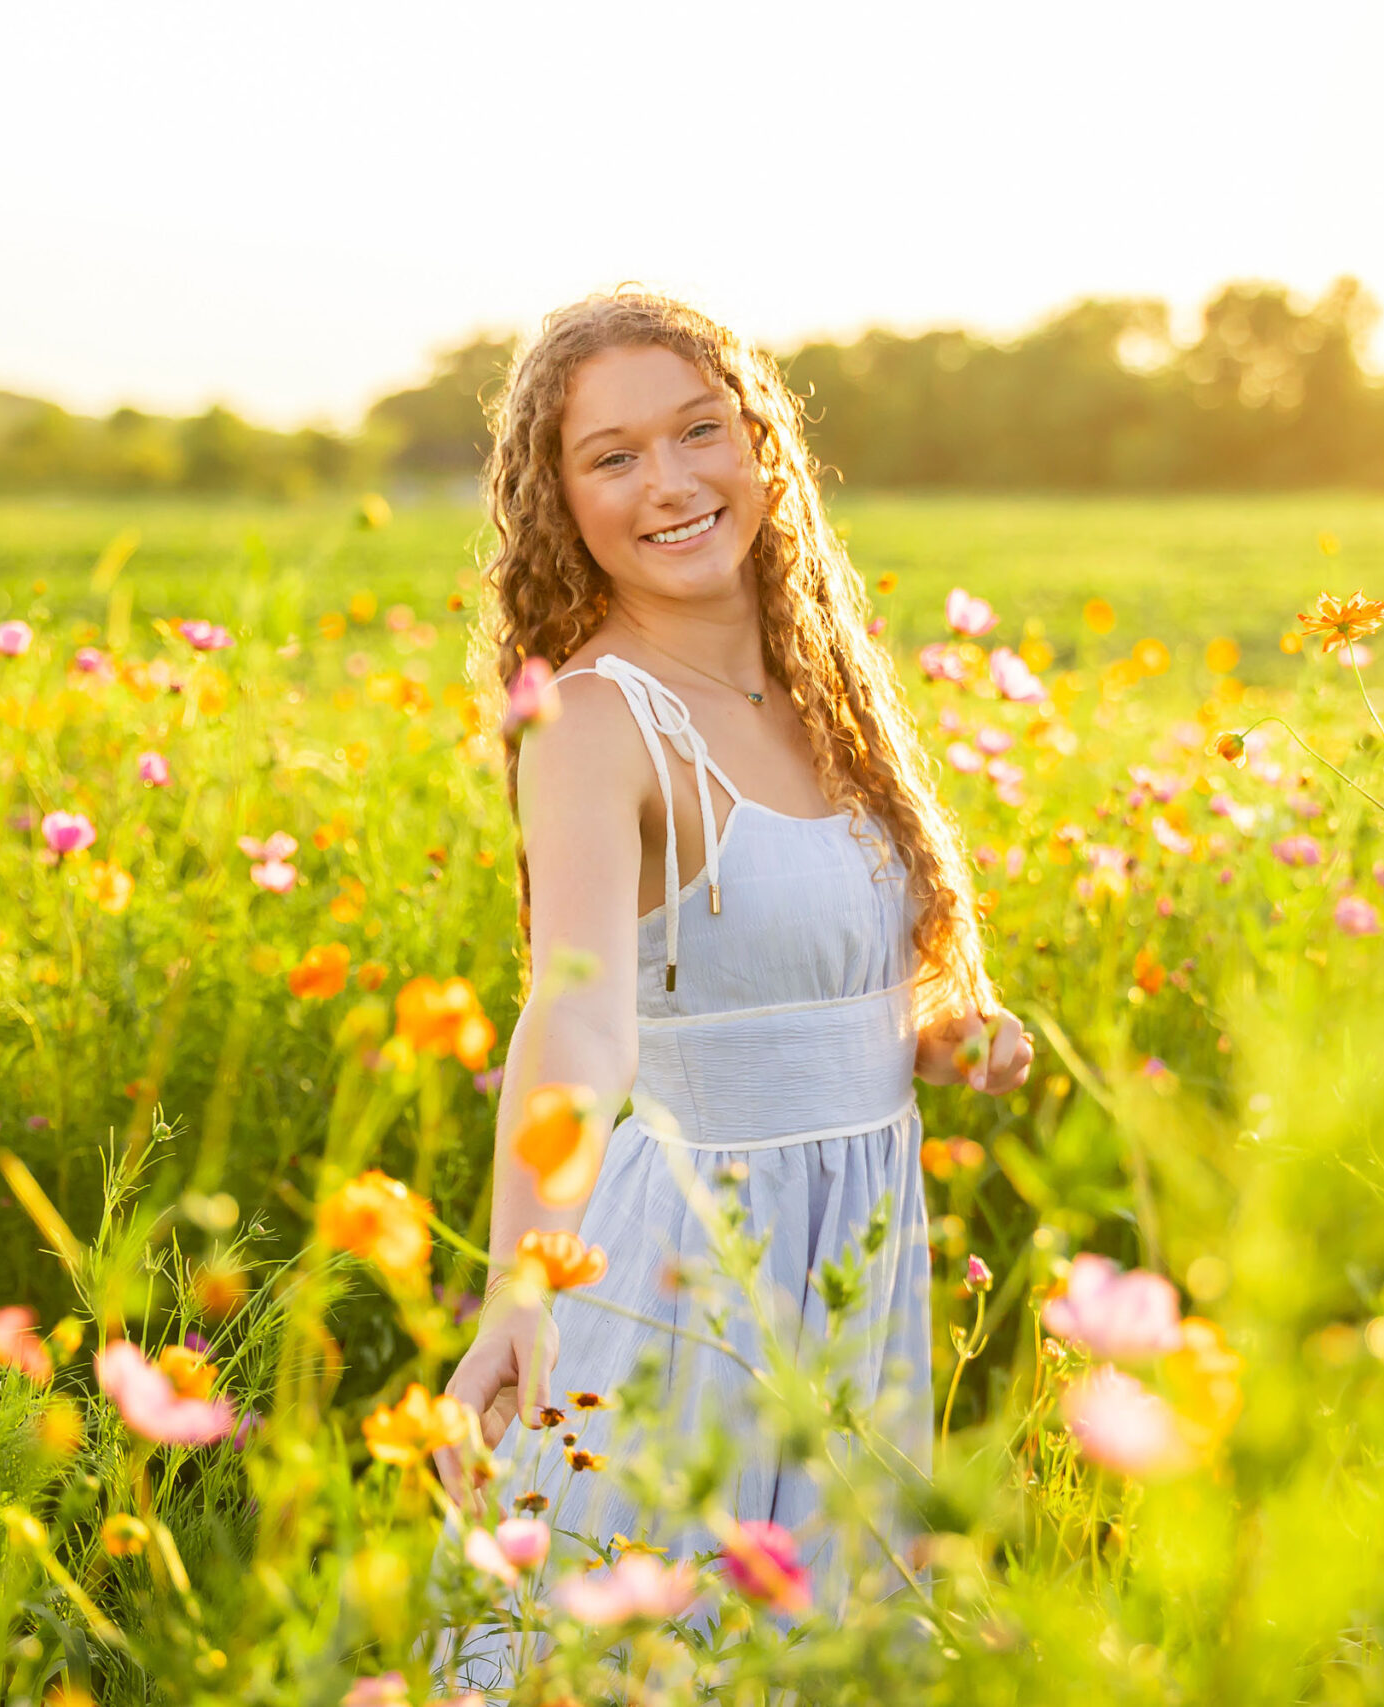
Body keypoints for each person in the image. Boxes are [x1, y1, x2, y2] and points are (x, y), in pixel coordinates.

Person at [435, 293, 1031, 1594]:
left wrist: (937, 1033)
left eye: (699, 429)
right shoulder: (596, 719)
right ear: (560, 501)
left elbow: (793, 982)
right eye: (613, 455)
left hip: (855, 1252)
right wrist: (520, 1285)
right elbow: (580, 1016)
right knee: (656, 1638)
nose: (670, 481)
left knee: (830, 1635)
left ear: (762, 444)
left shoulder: (824, 692)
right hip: (695, 1269)